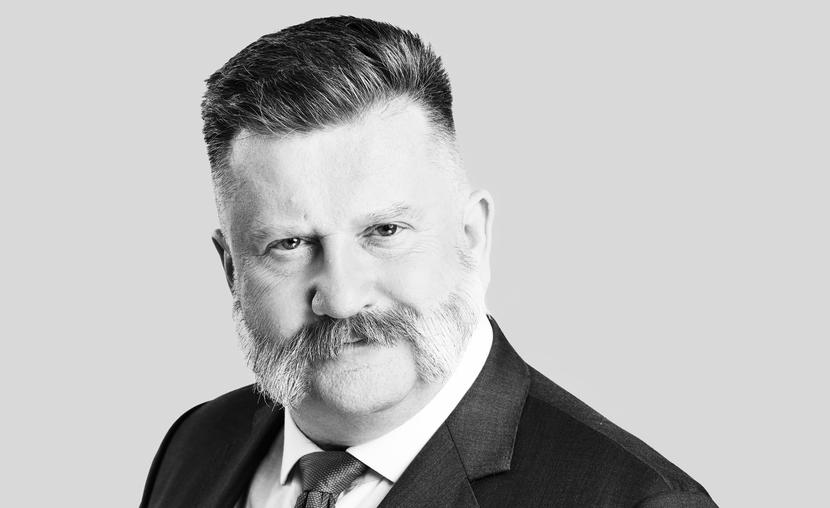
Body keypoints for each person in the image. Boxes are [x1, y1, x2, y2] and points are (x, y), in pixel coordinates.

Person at [140, 16, 717, 508]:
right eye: (289, 244)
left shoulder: (638, 501)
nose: (342, 297)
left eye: (384, 231)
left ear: (472, 236)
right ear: (230, 270)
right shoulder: (194, 446)